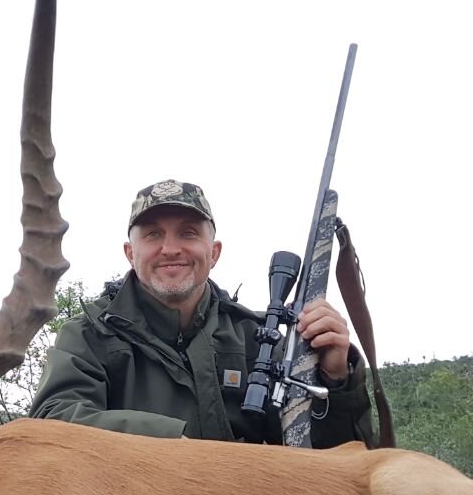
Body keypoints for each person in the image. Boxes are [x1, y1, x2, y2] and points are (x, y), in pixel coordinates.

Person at [28, 179, 376, 446]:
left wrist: (336, 380)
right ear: (130, 253)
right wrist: (172, 444)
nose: (170, 248)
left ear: (214, 252)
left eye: (188, 233)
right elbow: (51, 422)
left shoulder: (258, 339)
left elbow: (326, 458)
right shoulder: (88, 334)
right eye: (153, 235)